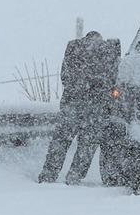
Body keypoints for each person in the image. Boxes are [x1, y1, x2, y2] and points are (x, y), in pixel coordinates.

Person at [38, 31, 120, 184]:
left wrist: (77, 90)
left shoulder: (73, 49)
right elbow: (113, 80)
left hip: (72, 104)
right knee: (86, 145)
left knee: (60, 141)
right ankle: (74, 176)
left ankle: (48, 175)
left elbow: (65, 77)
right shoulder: (109, 52)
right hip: (96, 107)